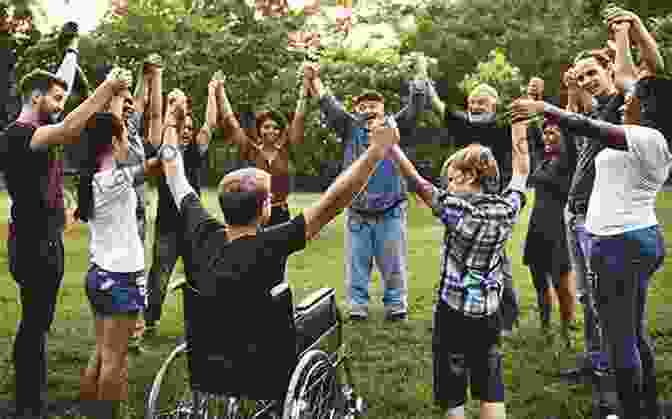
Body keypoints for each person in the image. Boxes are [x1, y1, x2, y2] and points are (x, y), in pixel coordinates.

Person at [156, 89, 400, 402]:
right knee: (324, 307)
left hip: (211, 361)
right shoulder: (272, 242)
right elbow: (333, 202)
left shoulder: (200, 229)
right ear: (264, 209)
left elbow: (174, 172)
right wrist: (375, 153)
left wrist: (171, 121)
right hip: (267, 365)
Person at [512, 19, 670, 416]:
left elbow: (584, 120)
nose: (626, 99)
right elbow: (615, 90)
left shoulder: (644, 136)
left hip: (617, 245)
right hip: (632, 238)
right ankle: (648, 406)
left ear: (645, 107)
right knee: (631, 332)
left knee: (619, 339)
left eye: (632, 99)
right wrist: (620, 38)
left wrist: (542, 107)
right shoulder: (645, 133)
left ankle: (630, 410)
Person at [1, 57, 131, 418]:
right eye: (56, 98)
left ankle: (32, 398)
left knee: (37, 322)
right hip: (33, 244)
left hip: (45, 238)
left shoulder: (37, 131)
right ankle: (27, 404)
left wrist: (63, 201)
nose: (61, 106)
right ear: (35, 96)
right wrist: (108, 87)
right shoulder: (19, 133)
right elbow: (71, 128)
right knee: (34, 324)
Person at [387, 115, 530, 419]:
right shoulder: (507, 209)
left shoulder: (455, 209)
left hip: (452, 311)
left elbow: (417, 183)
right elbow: (521, 171)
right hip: (490, 312)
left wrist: (392, 147)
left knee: (452, 385)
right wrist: (520, 127)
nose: (448, 185)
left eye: (452, 179)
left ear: (468, 178)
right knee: (491, 378)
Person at [307, 56, 429, 321]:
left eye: (374, 105)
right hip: (358, 214)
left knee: (394, 264)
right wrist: (313, 78)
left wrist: (420, 73)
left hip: (391, 211)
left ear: (384, 110)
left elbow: (416, 106)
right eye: (362, 106)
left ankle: (396, 306)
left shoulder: (396, 127)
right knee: (357, 265)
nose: (368, 109)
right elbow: (328, 104)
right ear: (356, 111)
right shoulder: (350, 128)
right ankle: (357, 307)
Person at [75, 82, 163, 418]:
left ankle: (87, 412)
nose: (129, 139)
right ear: (113, 142)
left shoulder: (93, 179)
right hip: (120, 279)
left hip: (99, 275)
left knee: (101, 353)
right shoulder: (114, 180)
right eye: (124, 134)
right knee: (115, 361)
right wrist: (171, 126)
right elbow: (159, 163)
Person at [426, 81, 520, 335]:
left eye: (482, 102)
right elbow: (440, 108)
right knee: (456, 254)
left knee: (496, 260)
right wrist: (425, 83)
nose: (475, 106)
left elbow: (521, 129)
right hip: (461, 196)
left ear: (494, 104)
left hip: (490, 201)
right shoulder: (465, 124)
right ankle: (455, 309)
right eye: (472, 103)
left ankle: (505, 316)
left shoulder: (501, 125)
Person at [143, 79, 218, 338]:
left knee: (198, 278)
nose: (187, 131)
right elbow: (160, 121)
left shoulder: (195, 152)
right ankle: (149, 322)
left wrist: (212, 91)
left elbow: (210, 124)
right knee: (159, 279)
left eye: (190, 128)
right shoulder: (163, 151)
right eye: (182, 127)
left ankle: (199, 325)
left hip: (193, 229)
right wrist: (170, 107)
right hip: (167, 229)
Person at [217, 69, 308, 228]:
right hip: (253, 213)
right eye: (266, 127)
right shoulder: (250, 150)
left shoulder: (286, 151)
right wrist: (220, 90)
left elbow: (299, 118)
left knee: (280, 253)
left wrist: (305, 89)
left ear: (280, 131)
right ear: (259, 130)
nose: (271, 131)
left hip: (281, 214)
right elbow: (231, 122)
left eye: (275, 127)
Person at [522, 117, 577, 346]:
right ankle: (545, 326)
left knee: (561, 285)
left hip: (557, 230)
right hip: (537, 228)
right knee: (539, 282)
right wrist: (532, 105)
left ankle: (566, 330)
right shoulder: (544, 160)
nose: (547, 137)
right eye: (545, 133)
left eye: (553, 133)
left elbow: (573, 133)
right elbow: (532, 132)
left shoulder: (569, 162)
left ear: (565, 138)